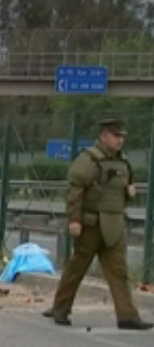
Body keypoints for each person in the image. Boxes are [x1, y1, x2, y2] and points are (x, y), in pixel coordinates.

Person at [42, 118, 152, 330]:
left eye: (121, 136)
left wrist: (129, 193)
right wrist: (74, 220)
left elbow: (122, 192)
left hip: (114, 224)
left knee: (119, 272)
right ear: (103, 136)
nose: (119, 140)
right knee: (77, 268)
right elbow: (75, 192)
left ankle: (127, 316)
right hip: (91, 225)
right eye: (115, 136)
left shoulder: (122, 162)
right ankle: (60, 309)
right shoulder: (88, 160)